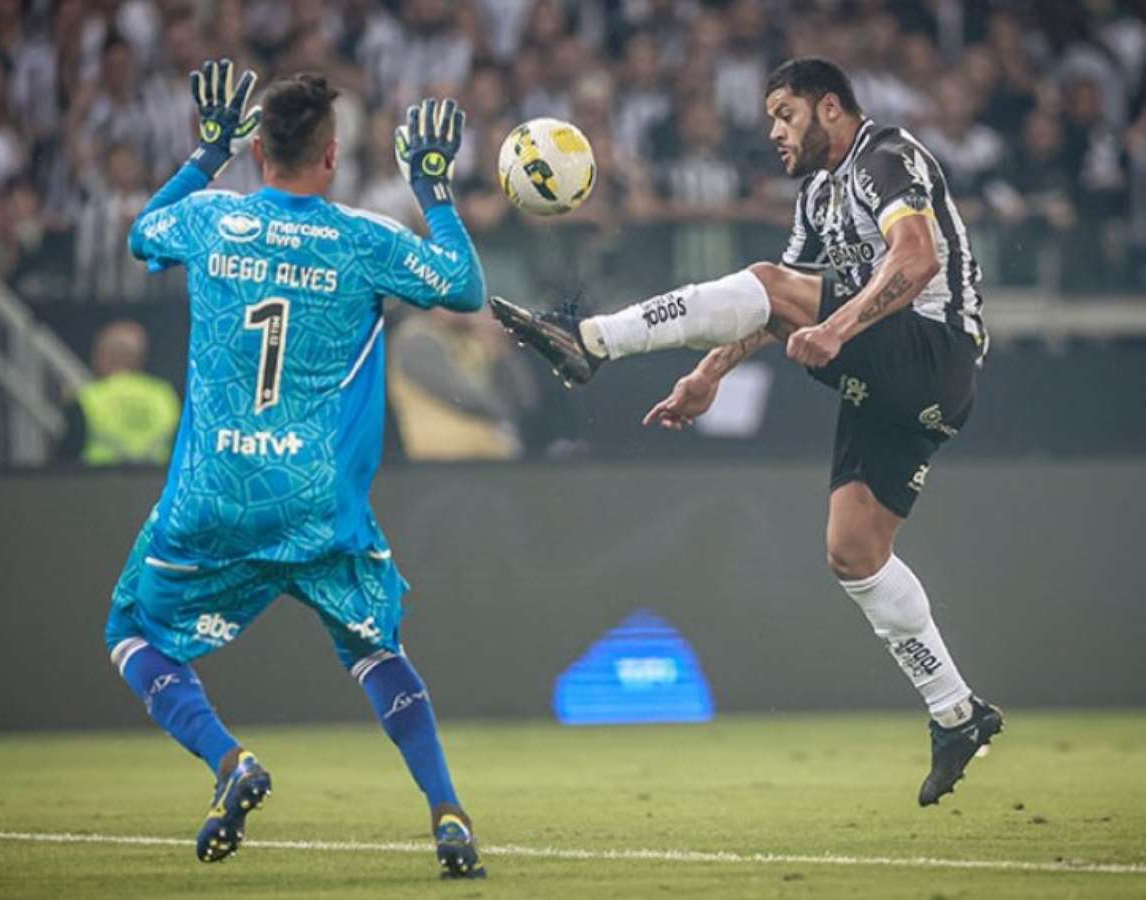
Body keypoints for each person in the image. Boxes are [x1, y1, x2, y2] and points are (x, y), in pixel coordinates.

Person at [492, 57, 1003, 807]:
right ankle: (957, 713)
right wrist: (710, 374)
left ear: (831, 108)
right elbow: (769, 306)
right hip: (897, 384)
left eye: (784, 115)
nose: (773, 132)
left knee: (768, 282)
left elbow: (918, 258)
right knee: (854, 552)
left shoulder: (885, 157)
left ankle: (589, 340)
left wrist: (835, 325)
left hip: (936, 352)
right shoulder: (817, 197)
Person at [104, 58, 488, 877]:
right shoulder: (360, 239)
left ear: (257, 154)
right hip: (316, 499)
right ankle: (446, 810)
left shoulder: (211, 219)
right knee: (375, 651)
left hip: (213, 492)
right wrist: (432, 189)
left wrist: (205, 154)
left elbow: (142, 230)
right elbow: (462, 287)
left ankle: (229, 759)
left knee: (130, 632)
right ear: (331, 156)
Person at [57, 320, 180, 465]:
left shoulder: (87, 398)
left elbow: (66, 458)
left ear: (105, 355)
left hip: (97, 483)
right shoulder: (164, 395)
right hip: (155, 482)